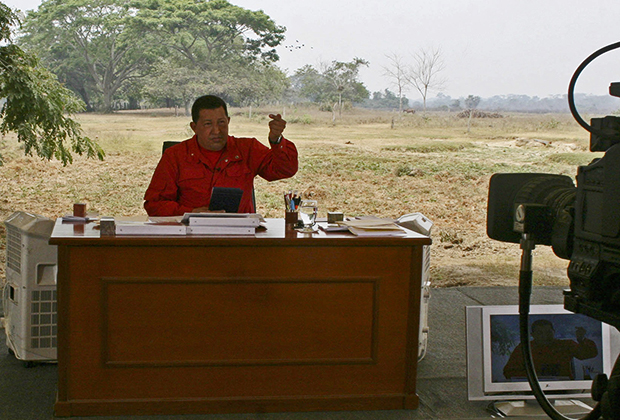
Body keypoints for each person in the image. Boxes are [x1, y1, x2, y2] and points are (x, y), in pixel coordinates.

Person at [144, 95, 298, 216]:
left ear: (229, 121)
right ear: (194, 127)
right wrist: (190, 213)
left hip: (240, 236)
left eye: (221, 123)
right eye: (208, 124)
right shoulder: (175, 156)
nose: (217, 131)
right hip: (191, 237)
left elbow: (285, 170)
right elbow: (155, 204)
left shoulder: (247, 149)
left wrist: (276, 140)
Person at [503, 319, 599, 380]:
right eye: (540, 333)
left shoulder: (566, 344)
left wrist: (582, 339)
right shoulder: (524, 348)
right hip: (533, 389)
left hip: (563, 388)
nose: (545, 336)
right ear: (533, 335)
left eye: (548, 332)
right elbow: (509, 372)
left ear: (554, 332)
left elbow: (589, 354)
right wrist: (538, 376)